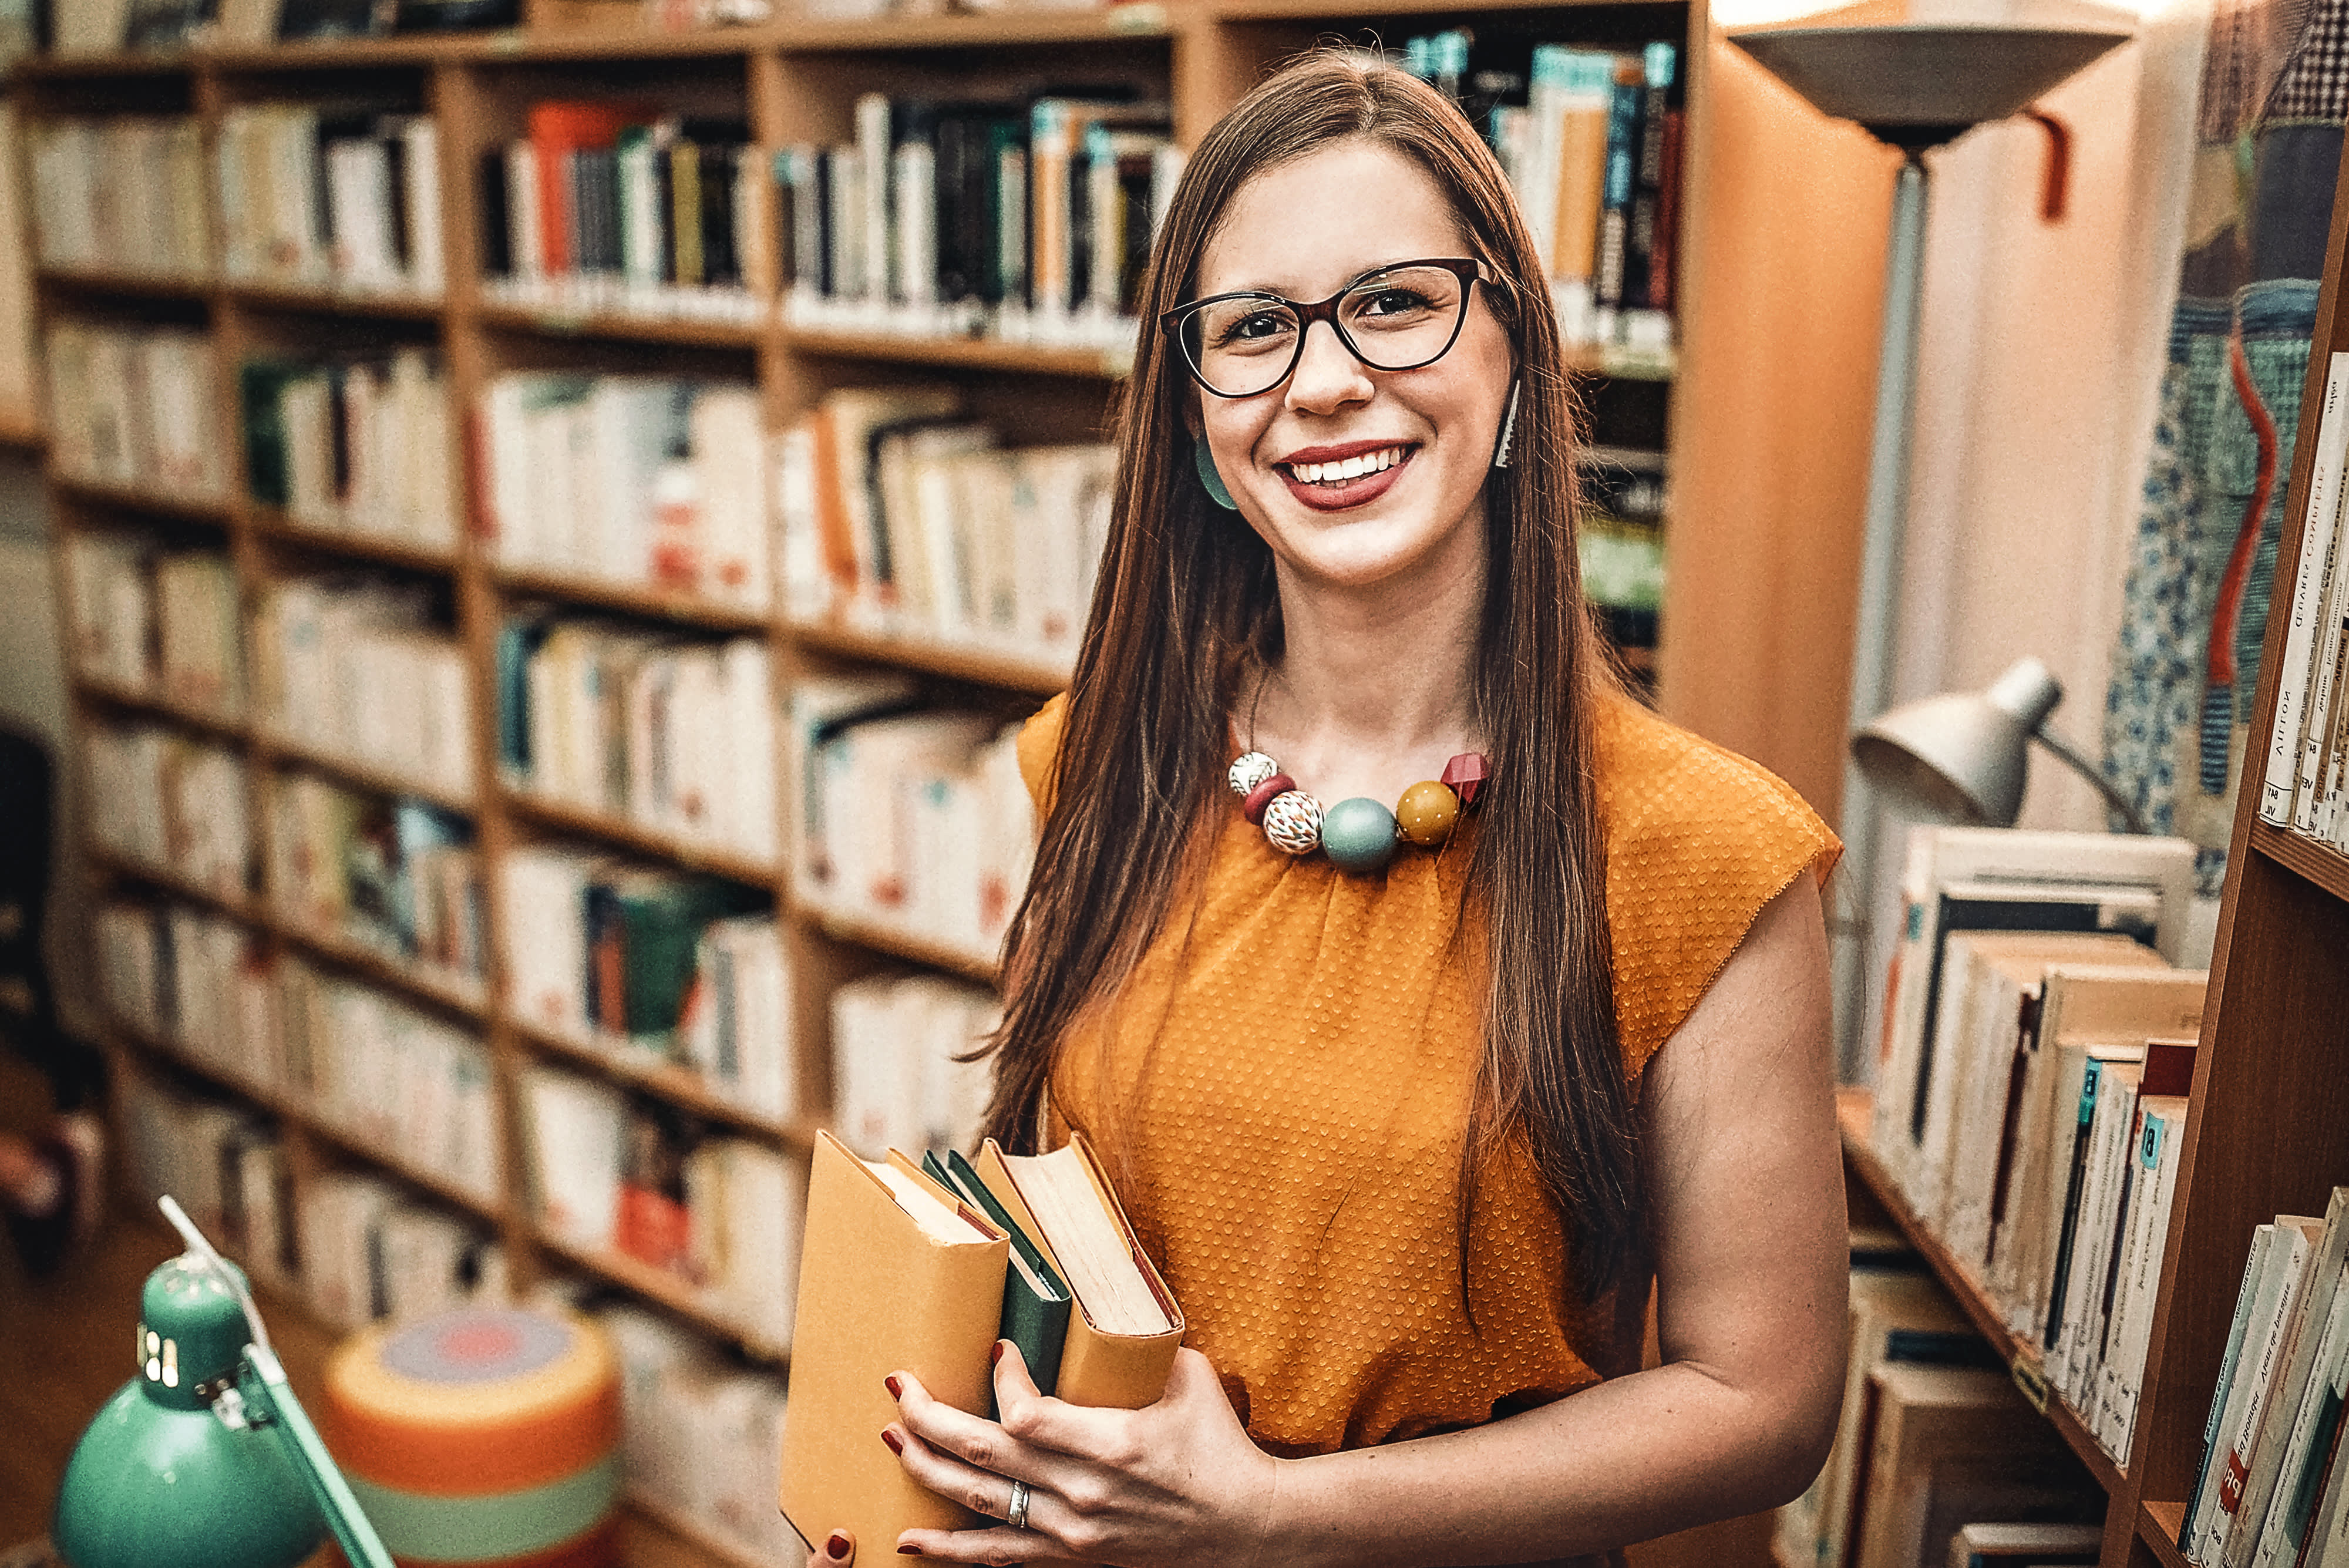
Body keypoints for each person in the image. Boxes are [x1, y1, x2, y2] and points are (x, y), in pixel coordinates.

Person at [807, 49, 1849, 1567]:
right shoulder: (1092, 765)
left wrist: (1277, 1519)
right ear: (1197, 422)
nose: (1324, 381)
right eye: (1253, 330)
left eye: (1395, 302)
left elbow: (1766, 1404)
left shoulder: (1706, 855)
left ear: (1513, 351)